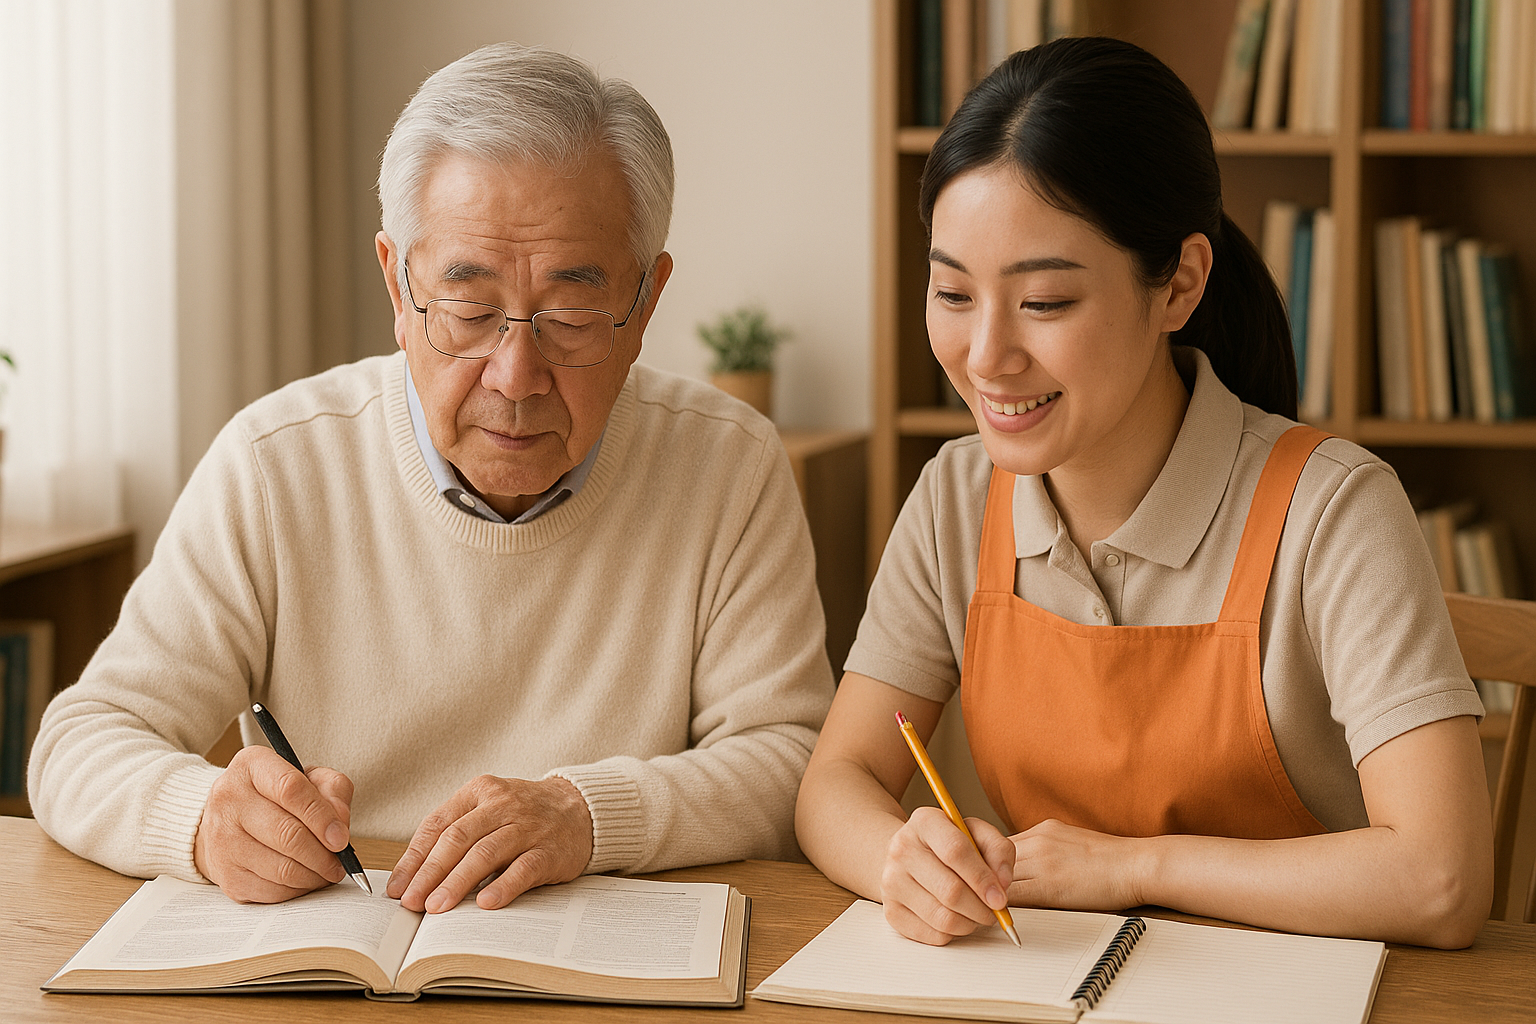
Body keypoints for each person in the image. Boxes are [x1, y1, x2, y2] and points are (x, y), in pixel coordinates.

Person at [29, 42, 833, 914]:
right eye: (468, 309)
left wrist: (586, 814)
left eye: (569, 314)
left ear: (644, 304)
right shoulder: (278, 464)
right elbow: (81, 741)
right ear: (396, 286)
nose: (516, 375)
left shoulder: (728, 467)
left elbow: (789, 758)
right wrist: (199, 819)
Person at [795, 36, 1492, 950]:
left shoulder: (1335, 510)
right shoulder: (956, 496)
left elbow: (1440, 879)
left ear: (1181, 284)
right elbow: (835, 781)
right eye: (953, 294)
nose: (986, 355)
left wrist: (1130, 865)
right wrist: (903, 861)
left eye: (1043, 303)